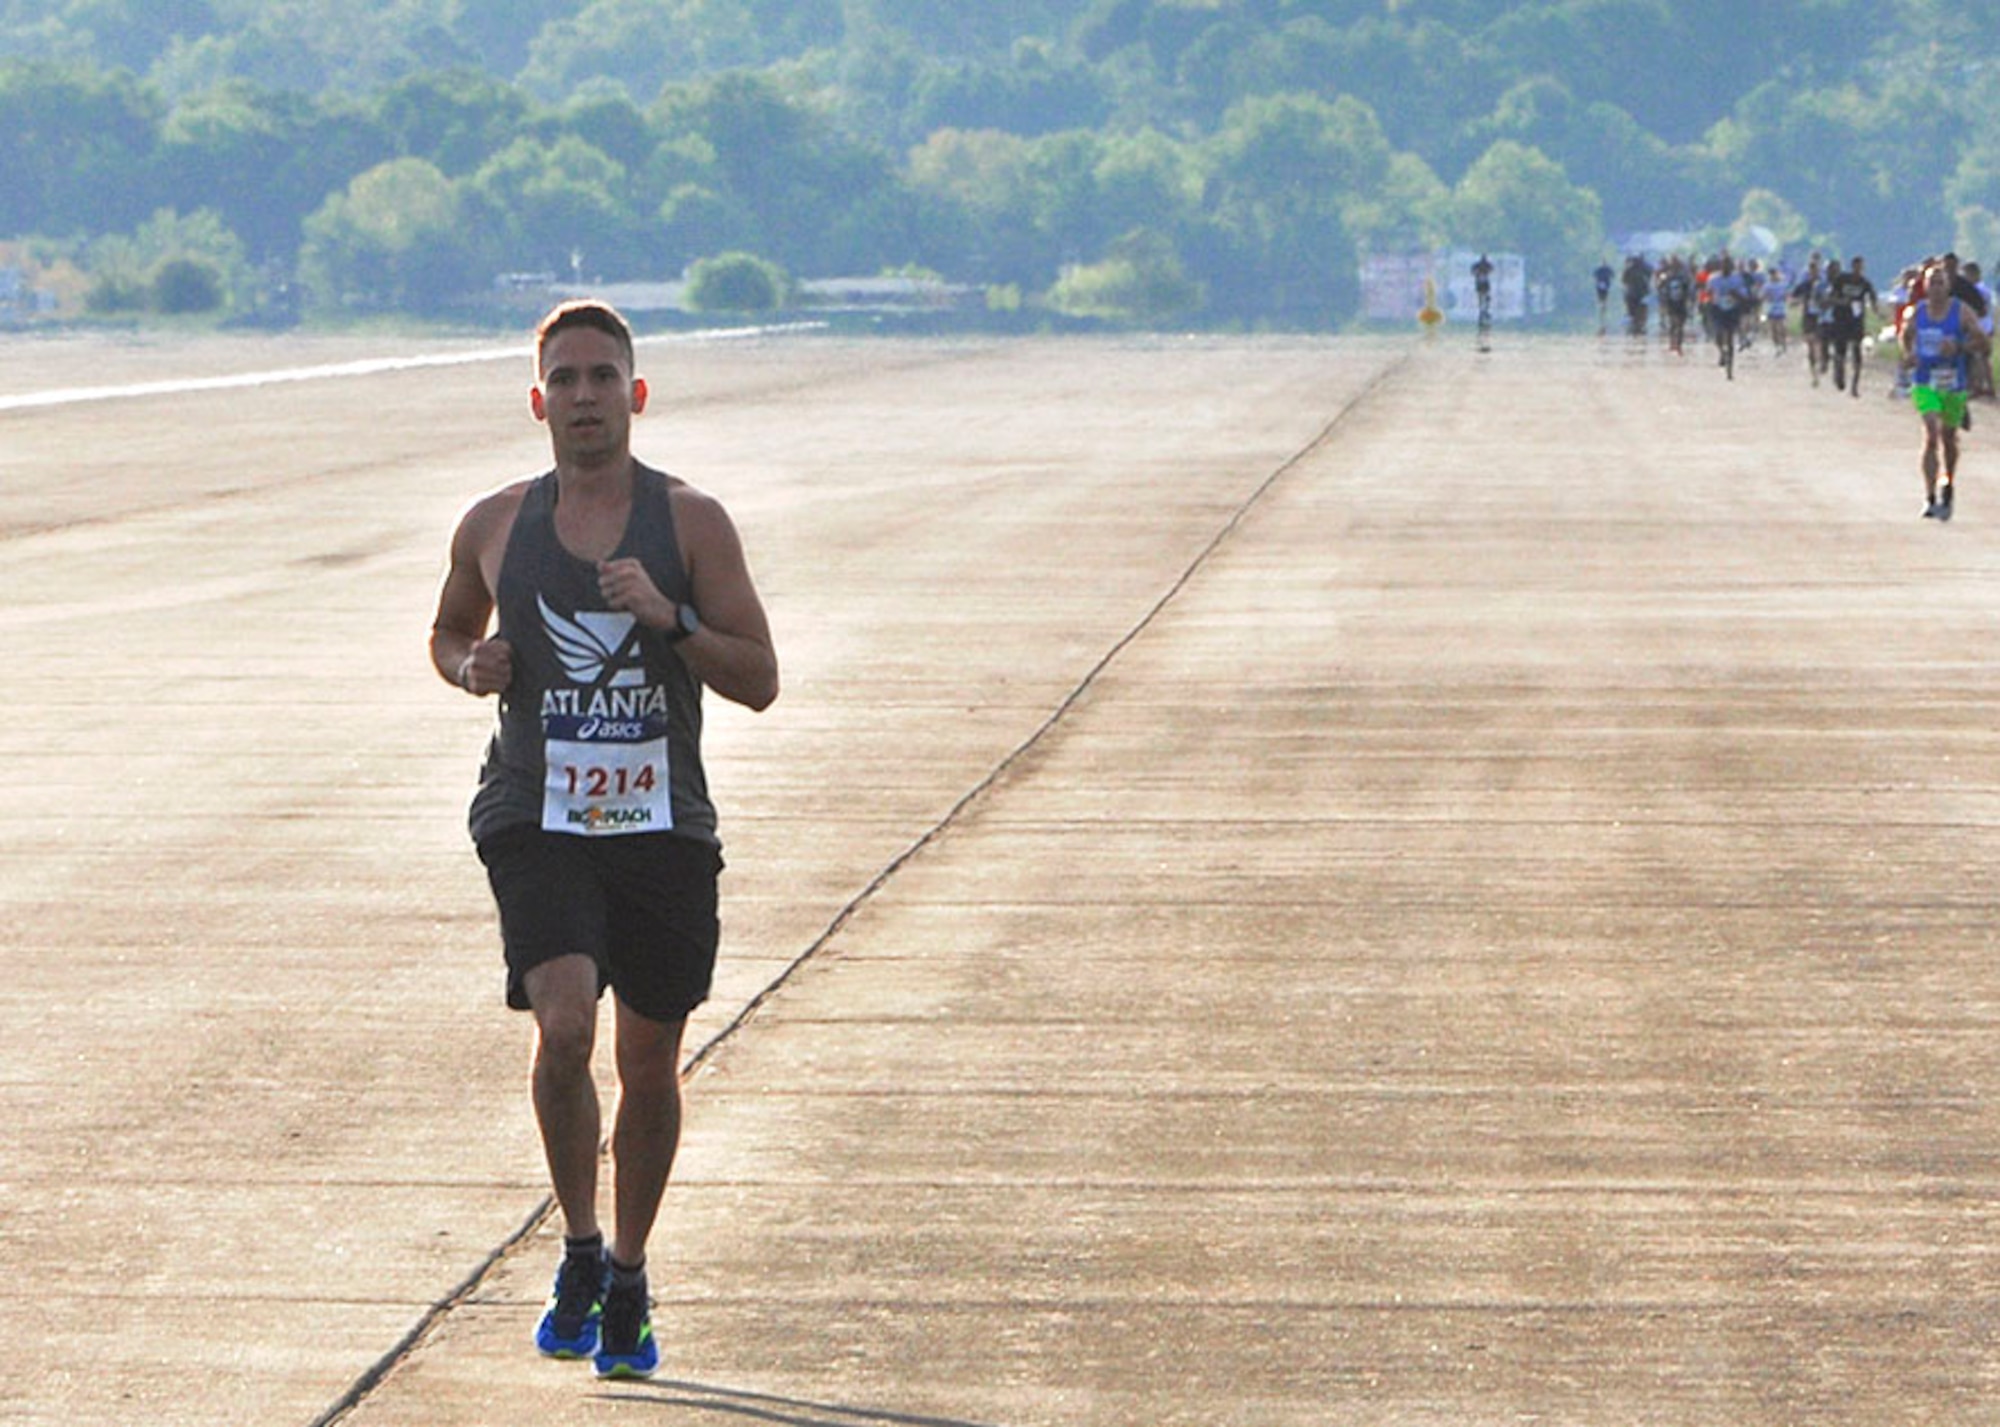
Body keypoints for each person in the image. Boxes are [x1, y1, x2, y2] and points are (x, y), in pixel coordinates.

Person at [429, 299, 780, 1379]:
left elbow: (759, 679)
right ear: (538, 401)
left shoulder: (688, 523)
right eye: (565, 379)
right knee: (567, 1021)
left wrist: (667, 618)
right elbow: (448, 630)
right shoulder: (494, 523)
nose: (583, 396)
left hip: (662, 820)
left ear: (635, 394)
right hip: (537, 812)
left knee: (649, 1060)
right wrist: (466, 667)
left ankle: (626, 1270)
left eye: (602, 377)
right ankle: (578, 1243)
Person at [1901, 262, 1988, 519]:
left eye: (1941, 283)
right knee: (1930, 433)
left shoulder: (1961, 312)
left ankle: (1947, 484)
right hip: (1925, 381)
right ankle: (1929, 497)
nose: (1936, 288)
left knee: (1948, 438)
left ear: (1948, 286)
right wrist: (1909, 354)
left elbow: (1982, 340)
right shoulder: (1917, 312)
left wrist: (1960, 346)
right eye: (1932, 283)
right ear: (1925, 287)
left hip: (1953, 382)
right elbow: (1905, 334)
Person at [1827, 255, 1878, 397]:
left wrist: (1877, 310)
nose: (1858, 270)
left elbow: (1873, 296)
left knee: (1857, 351)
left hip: (1856, 321)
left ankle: (1855, 386)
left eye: (1860, 267)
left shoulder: (1864, 282)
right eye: (1856, 267)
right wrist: (1841, 301)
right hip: (1841, 319)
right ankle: (1839, 374)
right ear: (1852, 267)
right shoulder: (1842, 279)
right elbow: (1831, 297)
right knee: (1840, 352)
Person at [1593, 259, 1615, 333]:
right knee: (1604, 296)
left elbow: (1594, 275)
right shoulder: (1608, 269)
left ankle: (1602, 304)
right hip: (1605, 286)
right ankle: (1603, 304)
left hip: (1600, 286)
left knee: (1601, 296)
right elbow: (1613, 275)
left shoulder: (1599, 269)